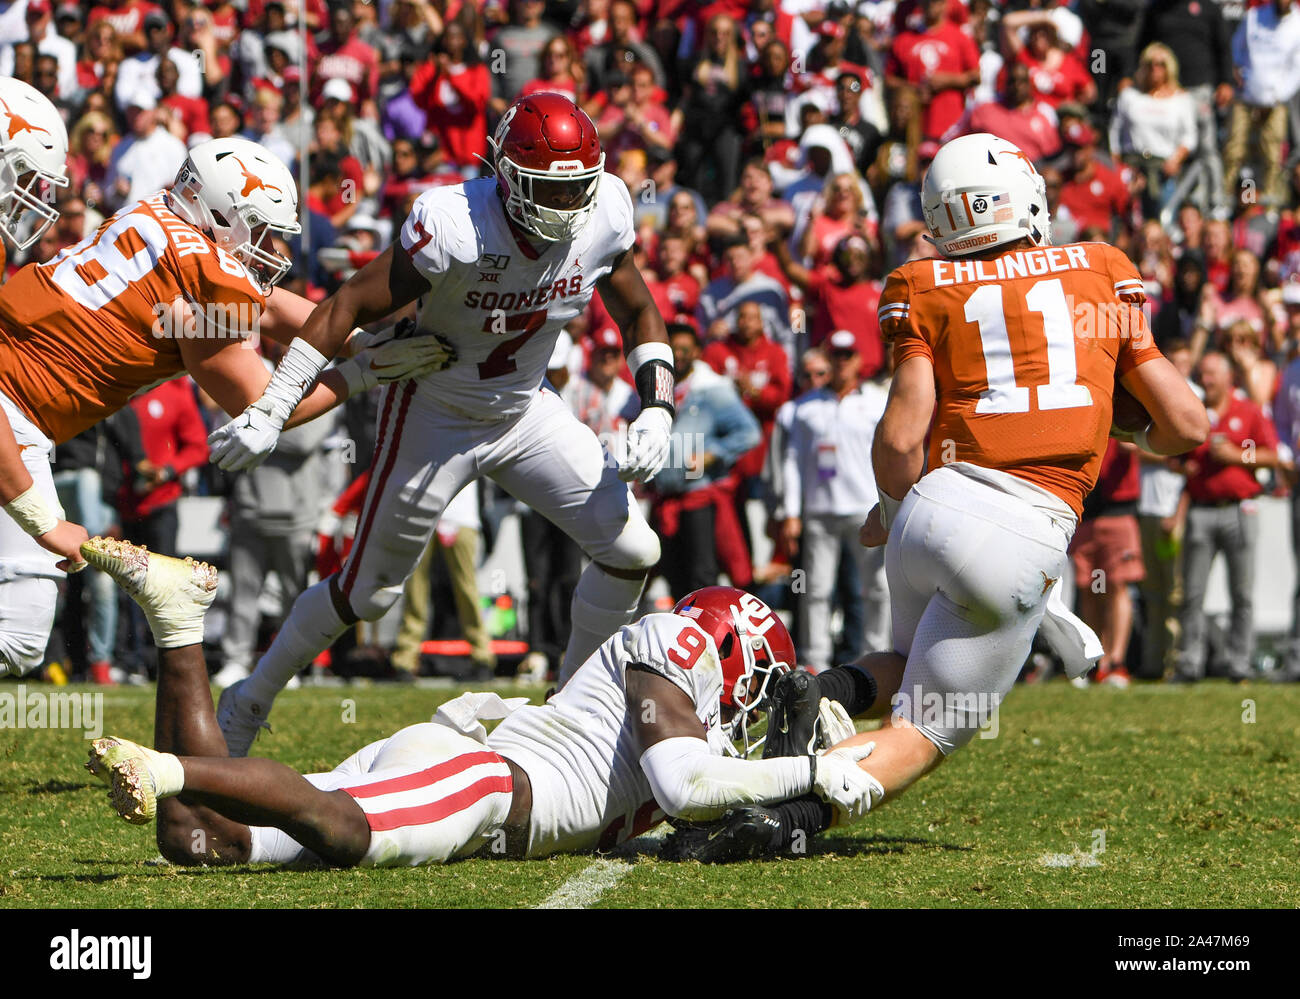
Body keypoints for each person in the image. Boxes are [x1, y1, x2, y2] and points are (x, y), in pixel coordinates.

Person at [675, 133, 1208, 860]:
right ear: (1024, 198)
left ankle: (821, 687)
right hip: (1025, 525)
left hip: (934, 504)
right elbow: (1186, 425)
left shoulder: (922, 283)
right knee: (925, 729)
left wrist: (894, 512)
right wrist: (1117, 422)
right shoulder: (1101, 266)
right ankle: (782, 815)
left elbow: (899, 440)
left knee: (907, 654)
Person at [211, 94, 678, 752]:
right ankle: (249, 696)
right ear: (508, 177)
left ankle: (571, 710)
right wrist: (273, 405)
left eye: (578, 187)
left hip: (525, 408)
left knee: (634, 550)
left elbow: (639, 314)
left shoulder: (605, 209)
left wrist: (657, 406)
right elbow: (347, 302)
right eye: (551, 188)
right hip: (435, 410)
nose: (569, 205)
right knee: (367, 593)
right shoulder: (454, 221)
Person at [81, 538, 881, 867]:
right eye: (756, 681)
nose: (752, 703)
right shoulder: (670, 647)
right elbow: (686, 785)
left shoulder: (681, 670)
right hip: (487, 785)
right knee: (347, 830)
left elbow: (704, 792)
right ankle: (167, 763)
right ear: (731, 655)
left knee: (199, 840)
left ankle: (177, 619)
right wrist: (810, 770)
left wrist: (797, 763)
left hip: (462, 766)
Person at [0, 135, 445, 677]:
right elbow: (265, 406)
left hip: (21, 395)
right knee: (20, 634)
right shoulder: (205, 275)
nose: (275, 251)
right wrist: (362, 374)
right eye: (261, 230)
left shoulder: (155, 215)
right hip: (14, 413)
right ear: (219, 213)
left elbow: (264, 303)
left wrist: (353, 339)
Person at [779, 329, 890, 673]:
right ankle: (815, 660)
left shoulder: (875, 402)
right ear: (828, 359)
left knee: (877, 588)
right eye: (836, 355)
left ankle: (878, 655)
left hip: (865, 507)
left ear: (858, 360)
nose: (842, 363)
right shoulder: (803, 408)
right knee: (815, 591)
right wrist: (791, 512)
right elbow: (792, 462)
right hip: (820, 510)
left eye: (848, 355)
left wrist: (889, 504)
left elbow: (888, 455)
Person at [1170, 351, 1280, 682]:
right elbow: (1174, 454)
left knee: (1241, 594)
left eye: (1212, 374)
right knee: (1192, 592)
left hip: (1238, 509)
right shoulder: (1195, 411)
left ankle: (1239, 664)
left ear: (1229, 377)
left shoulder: (1247, 412)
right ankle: (1189, 663)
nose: (1206, 380)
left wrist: (1237, 456)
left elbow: (1272, 455)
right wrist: (1182, 465)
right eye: (1202, 374)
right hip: (1201, 510)